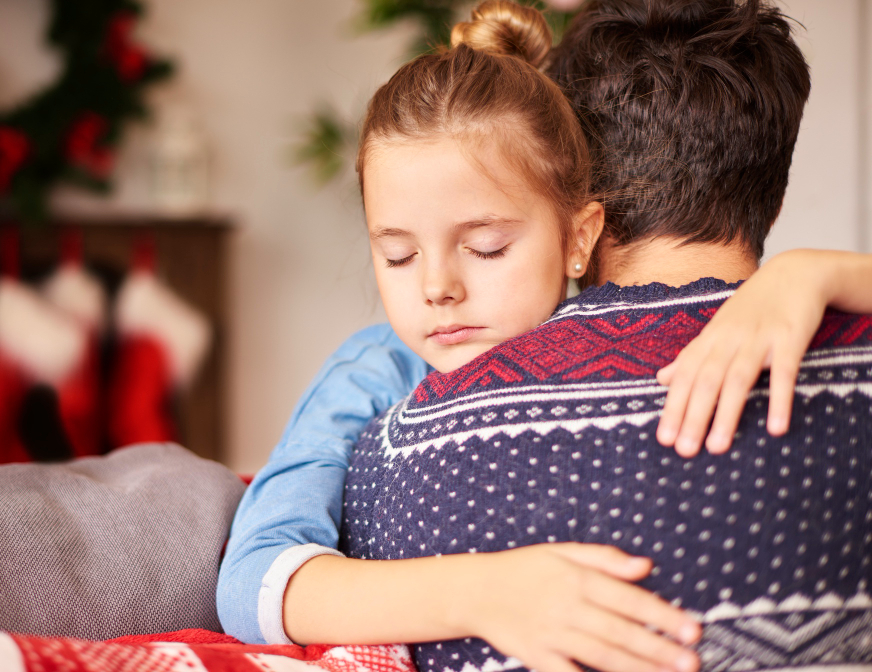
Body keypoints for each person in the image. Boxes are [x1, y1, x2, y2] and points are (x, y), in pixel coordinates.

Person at [219, 2, 872, 672]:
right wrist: (481, 593)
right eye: (398, 257)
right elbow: (252, 577)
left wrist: (818, 270)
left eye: (489, 247)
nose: (437, 287)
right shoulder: (373, 373)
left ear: (578, 237)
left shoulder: (743, 313)